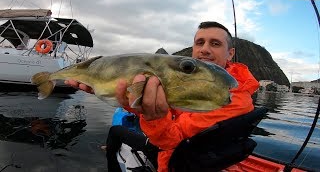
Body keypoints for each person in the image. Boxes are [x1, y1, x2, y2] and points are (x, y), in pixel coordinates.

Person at [65, 21, 259, 172]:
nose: (204, 49)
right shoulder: (199, 86)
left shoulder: (230, 97)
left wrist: (154, 119)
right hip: (191, 155)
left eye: (215, 44)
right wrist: (132, 100)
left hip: (176, 158)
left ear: (230, 53)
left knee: (116, 132)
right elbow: (172, 109)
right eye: (199, 43)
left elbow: (171, 140)